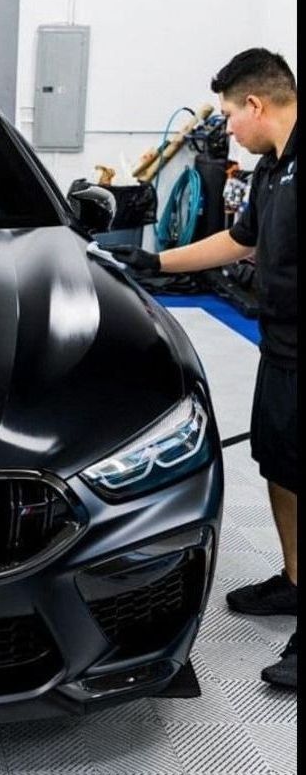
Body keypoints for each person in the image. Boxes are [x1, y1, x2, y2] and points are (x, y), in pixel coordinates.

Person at [111, 48, 297, 691]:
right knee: (280, 464)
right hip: (281, 344)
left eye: (228, 115)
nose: (228, 131)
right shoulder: (275, 167)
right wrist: (156, 264)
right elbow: (241, 242)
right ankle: (295, 582)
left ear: (255, 104)